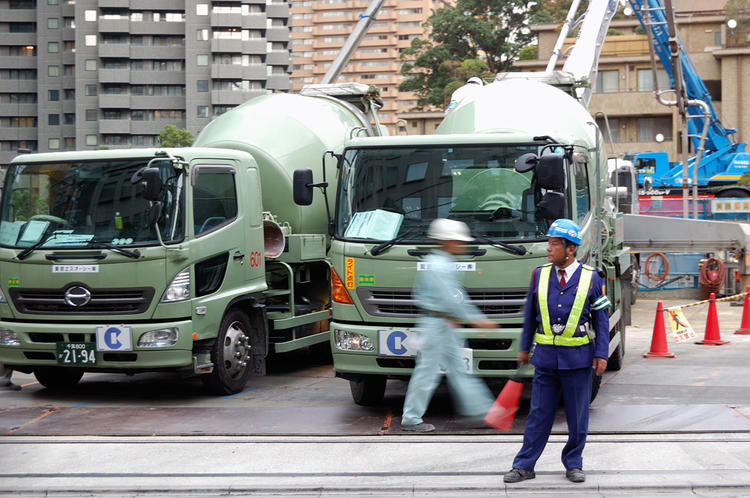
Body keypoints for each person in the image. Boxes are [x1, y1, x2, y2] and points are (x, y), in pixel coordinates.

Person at [504, 218, 610, 483]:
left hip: (578, 360)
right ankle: (524, 465)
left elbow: (602, 320)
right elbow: (530, 315)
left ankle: (574, 463)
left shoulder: (592, 278)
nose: (548, 249)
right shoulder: (539, 275)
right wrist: (524, 348)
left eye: (553, 244)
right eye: (548, 243)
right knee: (538, 414)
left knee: (577, 416)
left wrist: (601, 354)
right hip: (546, 360)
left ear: (570, 249)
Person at [401, 218, 496, 432]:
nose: (462, 245)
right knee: (428, 373)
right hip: (436, 325)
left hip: (442, 324)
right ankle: (411, 419)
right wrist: (477, 320)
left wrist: (472, 318)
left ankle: (482, 412)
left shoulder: (441, 263)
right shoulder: (439, 267)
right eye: (459, 241)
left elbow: (454, 298)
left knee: (458, 369)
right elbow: (452, 300)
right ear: (448, 242)